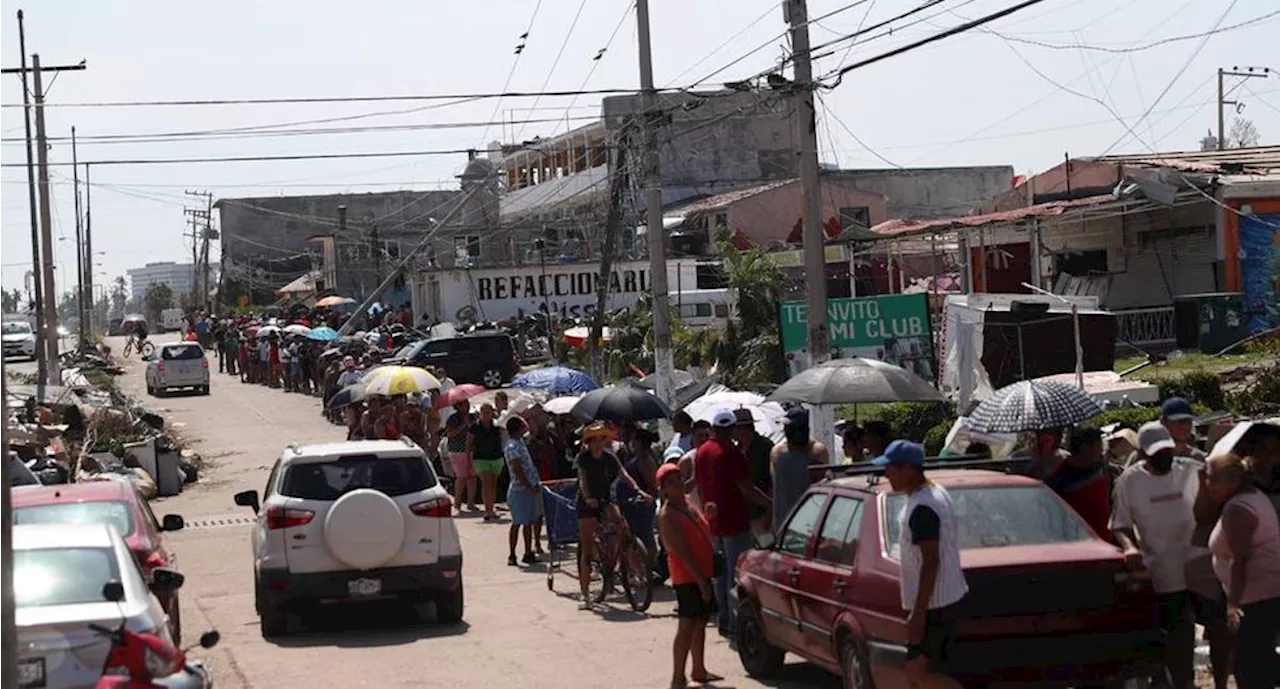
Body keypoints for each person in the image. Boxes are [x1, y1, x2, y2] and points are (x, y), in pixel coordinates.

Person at [1110, 422, 1201, 689]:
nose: (1164, 458)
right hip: (1158, 574)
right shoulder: (1130, 480)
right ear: (1144, 454)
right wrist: (1129, 547)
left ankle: (1185, 682)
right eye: (1157, 454)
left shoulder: (1193, 471)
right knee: (1166, 637)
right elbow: (1120, 524)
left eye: (1167, 452)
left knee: (1188, 636)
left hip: (1194, 570)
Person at [876, 440, 969, 688]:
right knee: (919, 676)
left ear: (909, 468)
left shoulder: (923, 507)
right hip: (942, 599)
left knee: (918, 673)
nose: (886, 474)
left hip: (934, 605)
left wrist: (918, 614)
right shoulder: (931, 492)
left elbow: (931, 562)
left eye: (891, 469)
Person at [1204, 452, 1280, 689]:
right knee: (1259, 660)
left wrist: (1233, 605)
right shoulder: (1252, 496)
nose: (1207, 484)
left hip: (1255, 598)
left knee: (1249, 667)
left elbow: (1240, 559)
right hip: (1263, 594)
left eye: (1211, 479)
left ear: (1230, 482)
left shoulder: (1238, 509)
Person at [694, 410, 771, 635]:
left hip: (714, 521)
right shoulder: (732, 452)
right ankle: (736, 622)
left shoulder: (703, 451)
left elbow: (699, 485)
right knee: (736, 574)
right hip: (735, 520)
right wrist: (769, 503)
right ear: (732, 429)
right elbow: (746, 488)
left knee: (720, 573)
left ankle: (724, 620)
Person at [656, 463, 722, 689]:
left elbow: (699, 528)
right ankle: (677, 677)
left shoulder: (687, 503)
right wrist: (701, 582)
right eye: (672, 481)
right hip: (687, 576)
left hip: (702, 571)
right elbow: (681, 551)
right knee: (686, 626)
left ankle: (699, 669)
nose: (679, 483)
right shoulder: (667, 515)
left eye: (679, 478)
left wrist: (709, 517)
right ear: (664, 489)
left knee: (700, 623)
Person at [575, 423, 649, 610]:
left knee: (622, 526)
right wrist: (588, 498)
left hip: (606, 499)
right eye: (596, 440)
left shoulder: (609, 457)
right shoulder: (583, 458)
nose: (600, 442)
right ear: (589, 442)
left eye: (602, 438)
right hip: (587, 503)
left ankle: (633, 568)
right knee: (588, 549)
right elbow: (583, 481)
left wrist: (639, 490)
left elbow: (624, 475)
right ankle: (585, 594)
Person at [1044, 424, 1112, 541]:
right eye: (1096, 445)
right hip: (1075, 543)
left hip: (1104, 543)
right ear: (1084, 447)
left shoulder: (1102, 470)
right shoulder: (1059, 477)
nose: (1101, 449)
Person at [770, 408, 829, 532]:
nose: (786, 431)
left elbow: (822, 484)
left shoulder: (816, 451)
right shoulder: (778, 452)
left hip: (811, 522)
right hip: (783, 521)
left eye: (789, 428)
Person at [504, 416, 543, 566]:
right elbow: (517, 469)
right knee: (517, 523)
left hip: (529, 489)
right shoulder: (513, 446)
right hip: (521, 490)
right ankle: (512, 554)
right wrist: (527, 486)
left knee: (528, 522)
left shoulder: (520, 443)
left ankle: (528, 552)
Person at [734, 408, 776, 536]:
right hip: (743, 514)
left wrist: (770, 512)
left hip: (763, 512)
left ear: (743, 428)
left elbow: (772, 480)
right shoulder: (737, 449)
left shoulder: (765, 447)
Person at [469, 404, 505, 522]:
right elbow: (469, 444)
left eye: (488, 412)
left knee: (493, 484)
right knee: (486, 483)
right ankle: (487, 510)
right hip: (480, 458)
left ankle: (491, 508)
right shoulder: (474, 427)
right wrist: (468, 461)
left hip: (496, 457)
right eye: (483, 412)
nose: (486, 415)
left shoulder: (497, 425)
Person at [677, 420, 713, 510]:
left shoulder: (715, 456)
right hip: (696, 512)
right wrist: (695, 477)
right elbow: (679, 490)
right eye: (700, 436)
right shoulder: (687, 460)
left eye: (707, 436)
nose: (704, 439)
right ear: (693, 437)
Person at [445, 414, 477, 512]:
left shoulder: (472, 417)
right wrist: (463, 425)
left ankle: (470, 502)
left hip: (470, 450)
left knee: (472, 476)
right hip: (457, 450)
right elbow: (450, 434)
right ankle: (457, 501)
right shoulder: (453, 418)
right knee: (461, 476)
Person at [1162, 397, 1208, 462]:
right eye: (1179, 421)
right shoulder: (1156, 459)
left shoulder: (1199, 458)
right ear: (1164, 422)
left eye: (1188, 421)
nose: (1185, 426)